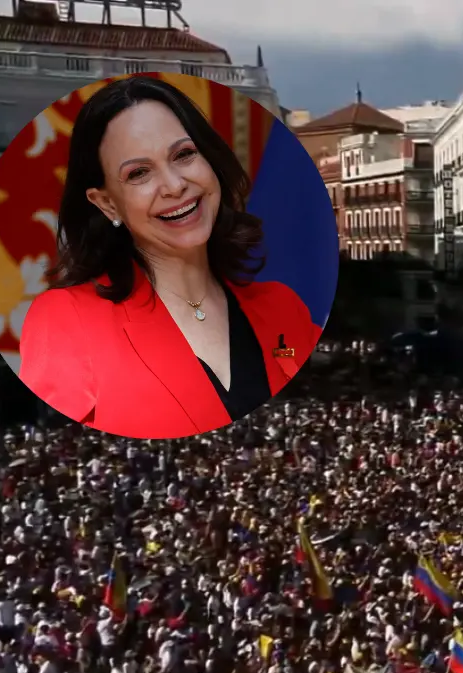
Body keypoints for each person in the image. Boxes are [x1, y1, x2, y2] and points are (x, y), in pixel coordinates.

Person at [17, 76, 321, 439]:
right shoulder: (66, 322)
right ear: (108, 203)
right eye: (139, 173)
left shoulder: (284, 309)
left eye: (184, 154)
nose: (175, 185)